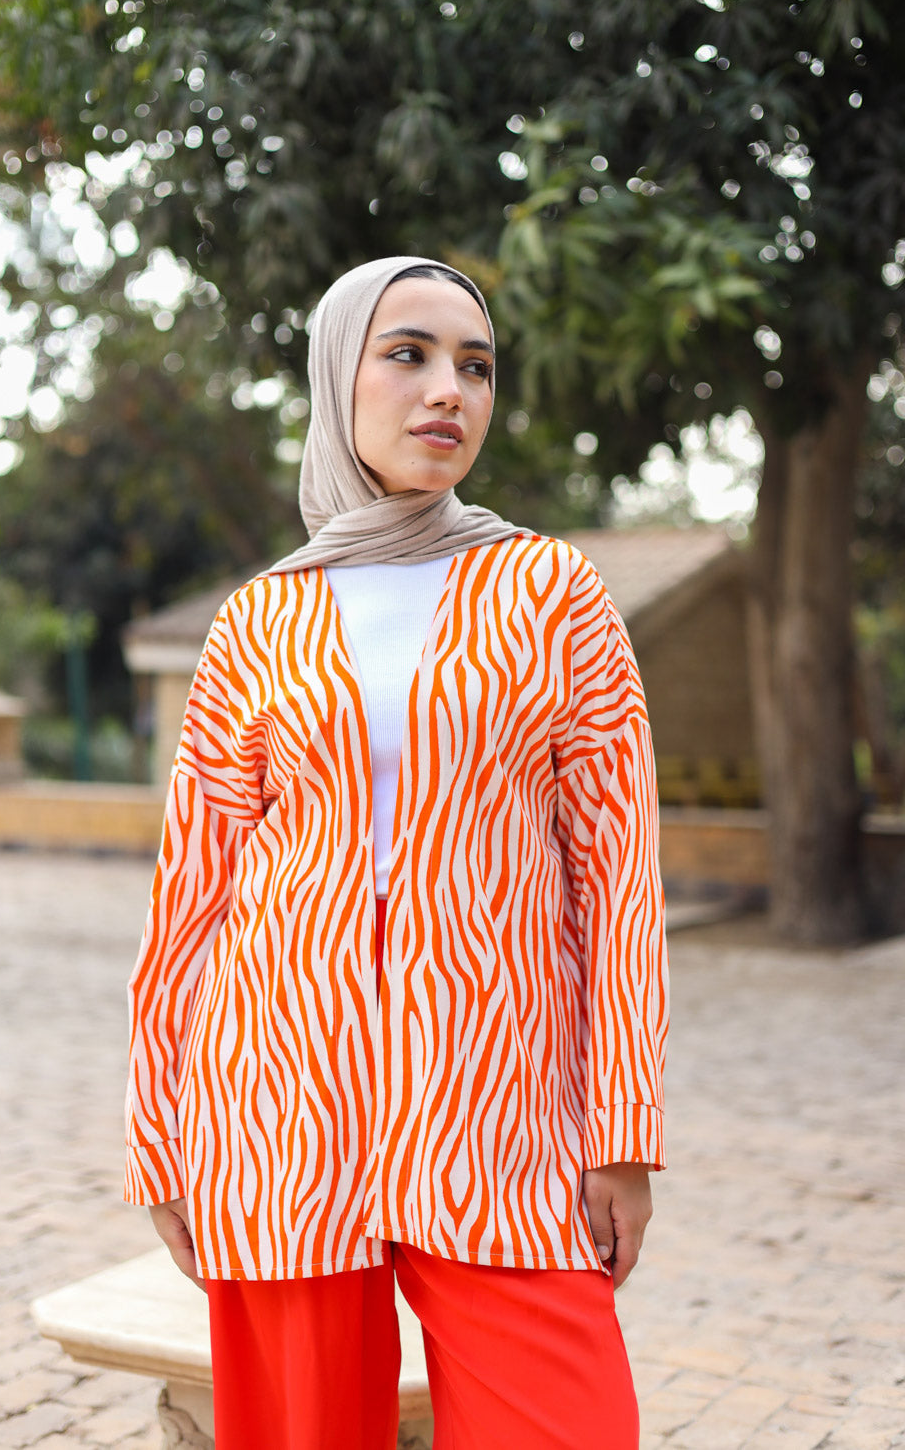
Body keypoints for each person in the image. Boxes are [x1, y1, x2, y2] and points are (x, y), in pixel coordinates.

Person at [124, 255, 669, 1450]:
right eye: (407, 354)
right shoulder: (260, 619)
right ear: (337, 377)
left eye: (474, 367)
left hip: (497, 1107)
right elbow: (192, 899)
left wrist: (621, 1136)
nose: (447, 393)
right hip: (279, 1100)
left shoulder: (549, 594)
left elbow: (616, 883)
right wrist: (162, 1137)